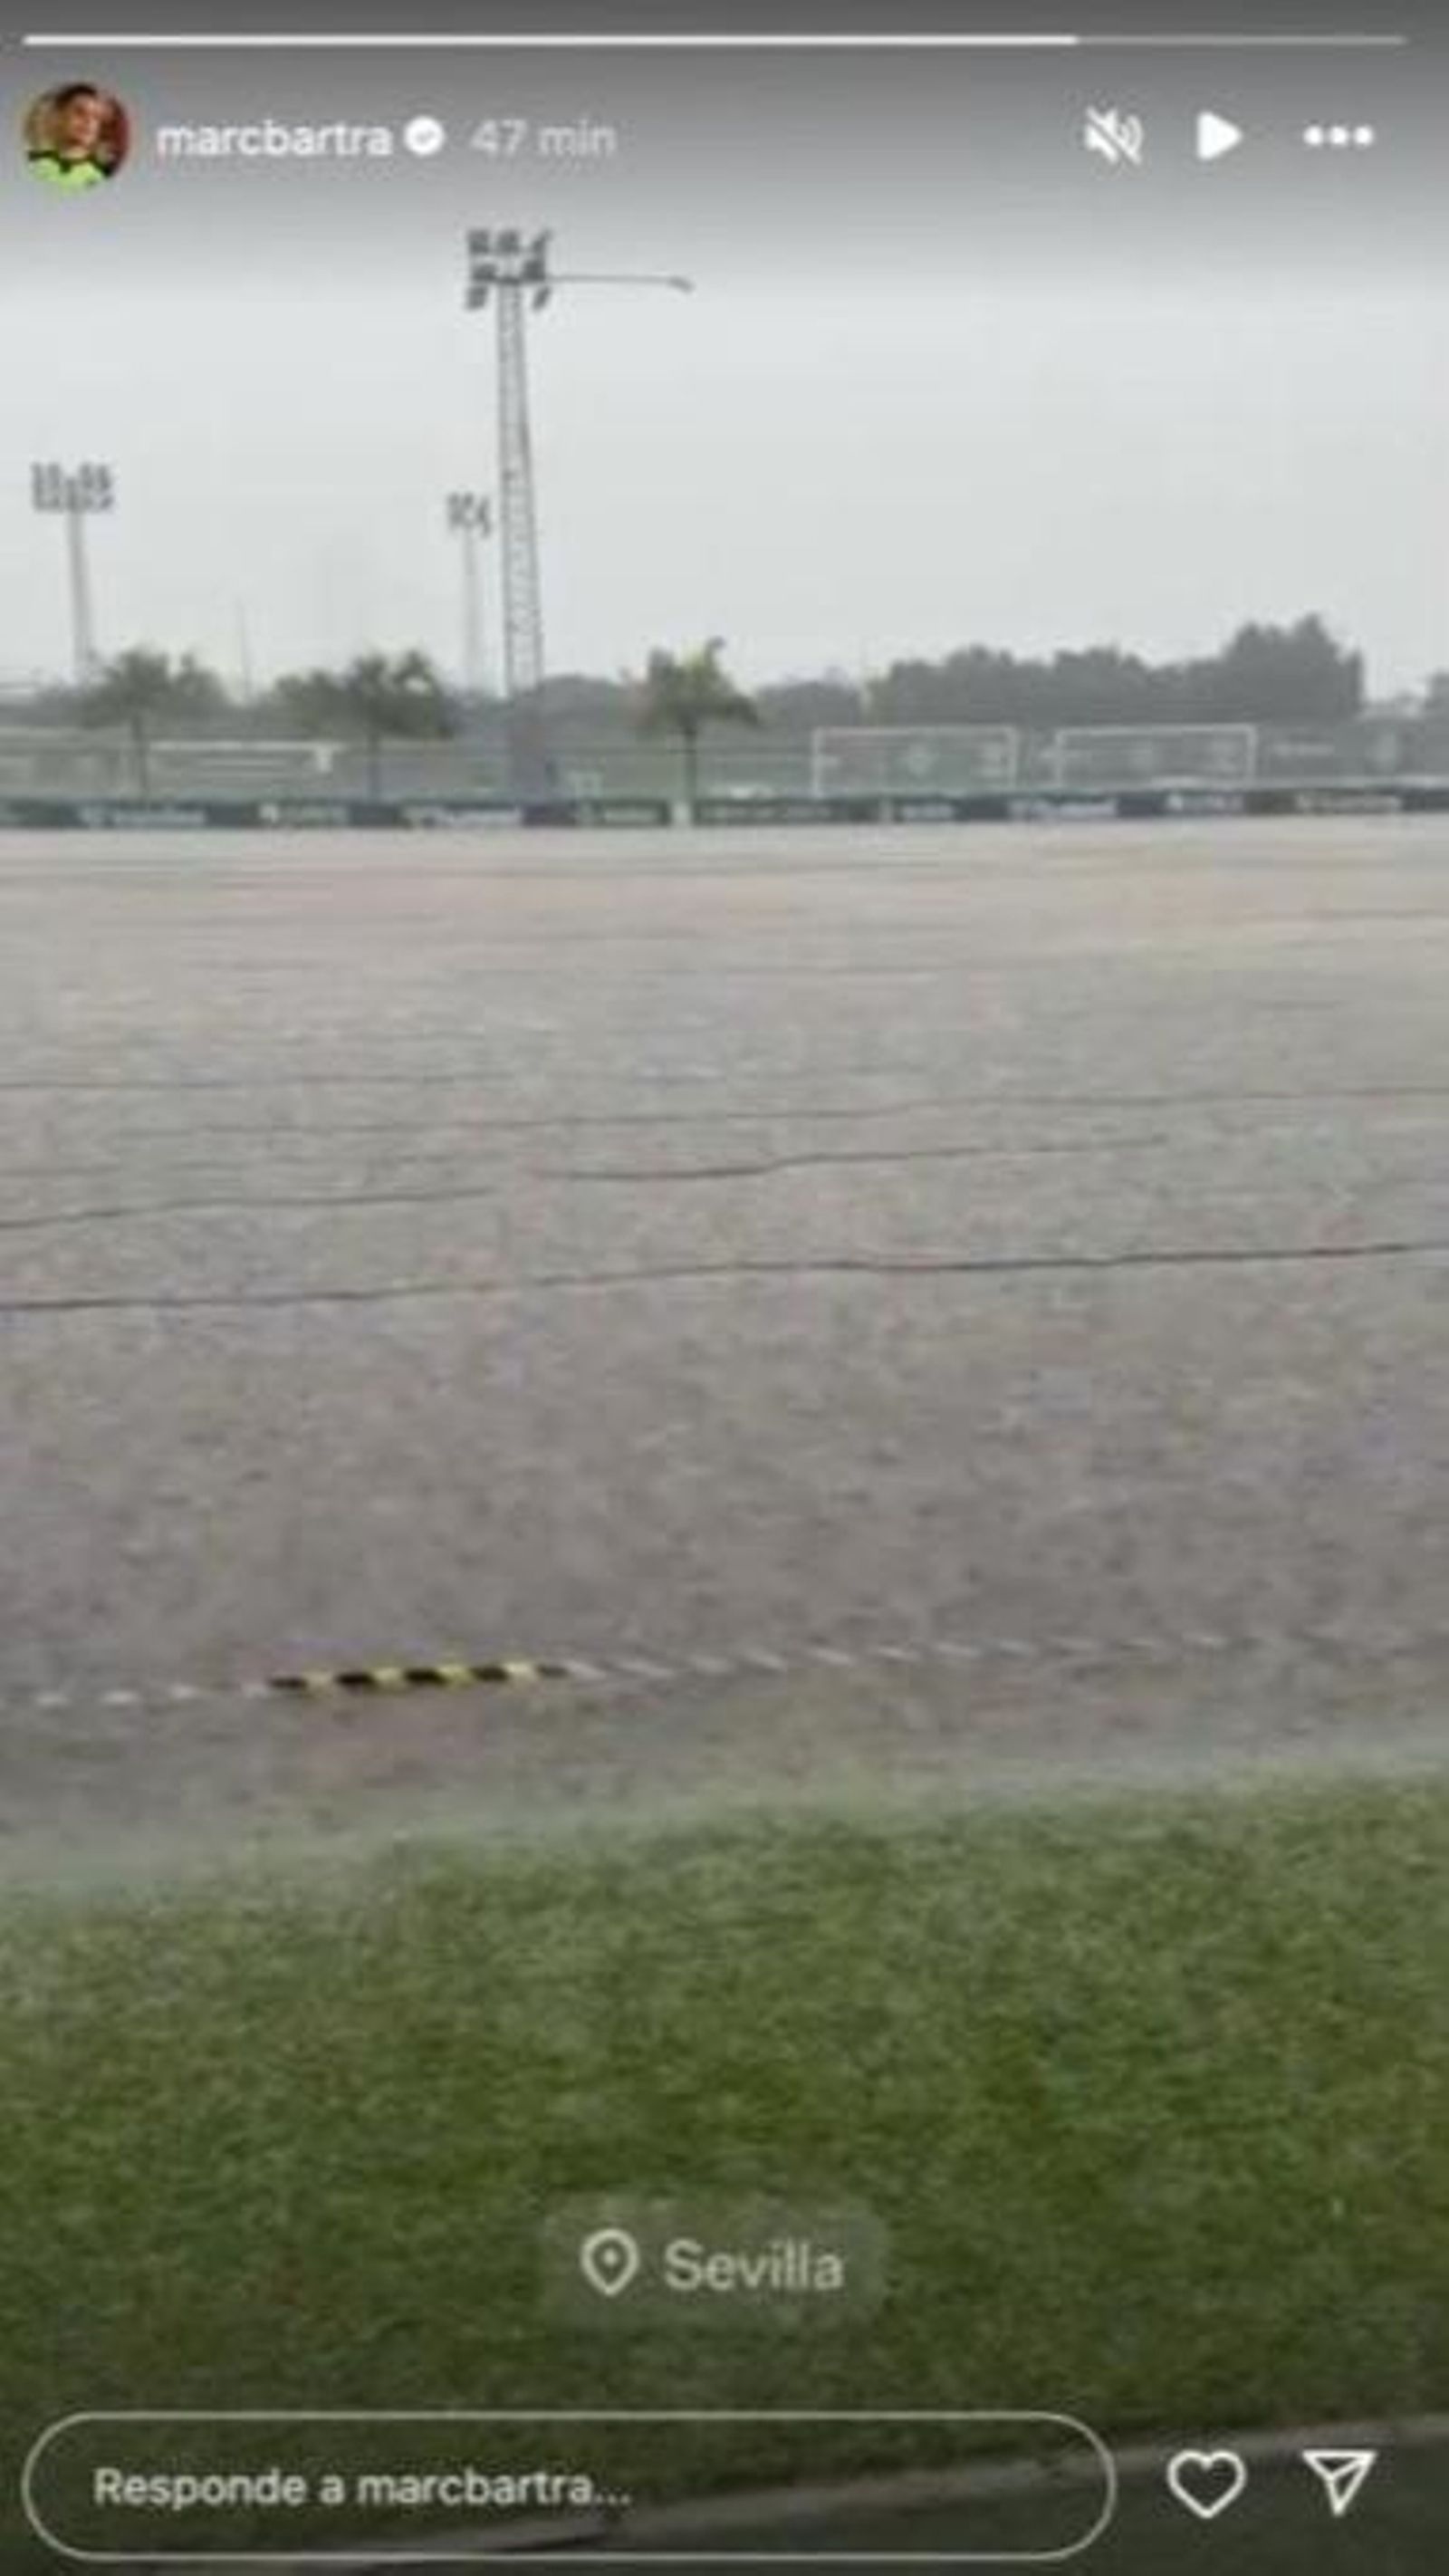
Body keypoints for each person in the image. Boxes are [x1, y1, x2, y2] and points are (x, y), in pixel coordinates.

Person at [28, 84, 118, 189]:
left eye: (96, 117)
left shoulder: (101, 175)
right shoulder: (35, 163)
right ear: (59, 117)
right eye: (80, 112)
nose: (89, 122)